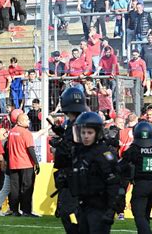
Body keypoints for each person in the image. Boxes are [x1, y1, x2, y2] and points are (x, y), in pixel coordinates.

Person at [70, 112, 122, 233]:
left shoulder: (104, 153)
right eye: (83, 133)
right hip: (83, 204)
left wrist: (111, 209)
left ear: (97, 133)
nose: (86, 136)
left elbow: (114, 182)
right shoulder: (79, 152)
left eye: (89, 133)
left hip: (100, 206)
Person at [120, 122, 152, 234]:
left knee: (139, 215)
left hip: (140, 186)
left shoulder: (134, 149)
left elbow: (120, 167)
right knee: (146, 214)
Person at [51, 87, 88, 233]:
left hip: (72, 178)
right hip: (83, 177)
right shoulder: (83, 124)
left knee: (69, 214)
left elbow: (67, 152)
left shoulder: (75, 126)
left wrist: (57, 146)